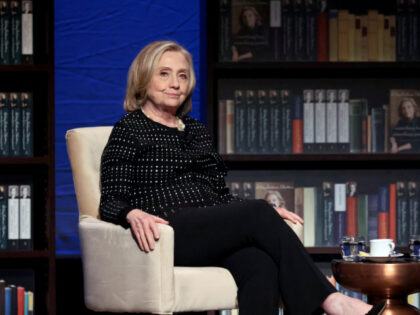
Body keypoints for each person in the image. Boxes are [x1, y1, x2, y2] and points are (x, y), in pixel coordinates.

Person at [99, 40, 385, 315]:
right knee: (258, 212)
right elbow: (110, 199)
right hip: (168, 233)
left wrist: (266, 216)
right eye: (164, 74)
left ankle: (321, 300)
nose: (175, 83)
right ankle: (331, 300)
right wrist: (132, 213)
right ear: (144, 78)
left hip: (210, 229)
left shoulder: (197, 131)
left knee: (259, 264)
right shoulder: (129, 129)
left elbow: (219, 195)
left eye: (183, 75)